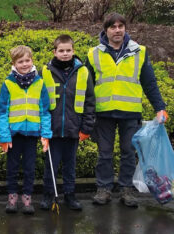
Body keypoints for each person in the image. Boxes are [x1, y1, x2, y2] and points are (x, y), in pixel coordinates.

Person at [86, 13, 168, 207]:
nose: (117, 30)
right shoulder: (93, 53)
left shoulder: (139, 51)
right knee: (104, 153)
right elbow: (86, 86)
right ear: (105, 30)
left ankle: (126, 189)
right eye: (113, 27)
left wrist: (160, 108)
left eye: (120, 26)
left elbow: (149, 83)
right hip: (103, 112)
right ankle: (104, 188)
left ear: (125, 28)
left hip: (130, 113)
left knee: (128, 153)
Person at [40, 35, 95, 211]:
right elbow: (38, 101)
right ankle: (48, 194)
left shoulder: (83, 72)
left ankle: (70, 195)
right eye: (61, 51)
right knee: (51, 165)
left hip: (73, 128)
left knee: (70, 166)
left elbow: (90, 101)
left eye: (68, 50)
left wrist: (86, 127)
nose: (65, 54)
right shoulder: (45, 71)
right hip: (52, 130)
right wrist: (43, 128)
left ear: (73, 51)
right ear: (54, 52)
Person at [0, 45, 52, 214]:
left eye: (27, 60)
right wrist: (4, 136)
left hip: (32, 134)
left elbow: (45, 111)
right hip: (14, 135)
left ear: (32, 60)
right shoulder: (8, 83)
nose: (25, 64)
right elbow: (2, 112)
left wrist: (46, 134)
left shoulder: (40, 83)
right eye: (20, 61)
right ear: (14, 63)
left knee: (30, 167)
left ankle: (27, 197)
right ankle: (12, 197)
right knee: (12, 167)